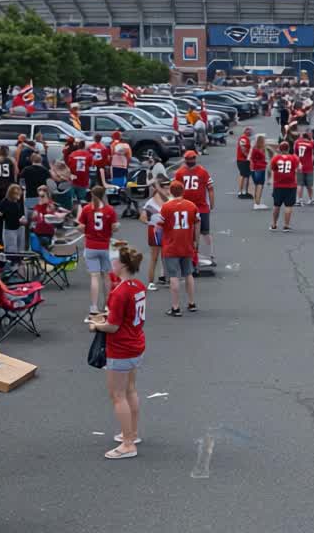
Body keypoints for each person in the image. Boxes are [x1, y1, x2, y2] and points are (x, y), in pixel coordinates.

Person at [87, 246, 148, 460]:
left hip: (120, 347)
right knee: (131, 390)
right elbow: (124, 314)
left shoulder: (119, 292)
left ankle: (128, 443)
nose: (111, 264)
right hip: (136, 342)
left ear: (121, 265)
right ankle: (132, 432)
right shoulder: (138, 286)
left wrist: (96, 325)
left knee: (117, 395)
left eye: (114, 261)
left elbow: (112, 326)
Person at [160, 181, 198, 316]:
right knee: (188, 273)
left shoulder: (166, 207)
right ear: (183, 191)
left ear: (170, 191)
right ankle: (192, 302)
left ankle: (175, 307)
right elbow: (196, 224)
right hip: (186, 243)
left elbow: (160, 225)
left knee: (174, 276)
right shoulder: (191, 206)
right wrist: (195, 241)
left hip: (171, 245)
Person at [81, 185, 119, 316]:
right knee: (107, 277)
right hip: (104, 246)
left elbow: (81, 227)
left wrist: (85, 231)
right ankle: (108, 305)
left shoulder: (86, 209)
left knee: (94, 277)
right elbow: (114, 227)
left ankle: (93, 307)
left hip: (91, 246)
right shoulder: (109, 210)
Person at [174, 150, 215, 263]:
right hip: (189, 207)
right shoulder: (182, 172)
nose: (190, 161)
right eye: (189, 159)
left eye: (192, 158)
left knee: (202, 232)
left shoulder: (198, 172)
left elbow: (210, 188)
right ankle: (192, 255)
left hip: (196, 206)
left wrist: (211, 203)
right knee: (190, 232)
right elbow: (210, 188)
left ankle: (207, 255)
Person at [141, 178, 168, 291]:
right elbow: (142, 217)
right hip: (155, 231)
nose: (168, 190)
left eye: (168, 188)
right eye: (166, 188)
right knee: (154, 258)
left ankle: (166, 278)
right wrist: (151, 223)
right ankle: (151, 283)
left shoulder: (169, 200)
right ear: (160, 189)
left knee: (166, 256)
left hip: (167, 230)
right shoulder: (150, 203)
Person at [269, 141, 300, 232]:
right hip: (290, 185)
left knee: (276, 205)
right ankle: (286, 225)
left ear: (280, 149)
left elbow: (273, 169)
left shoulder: (275, 158)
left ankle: (274, 224)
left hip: (278, 184)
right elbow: (297, 168)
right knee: (288, 206)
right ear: (288, 148)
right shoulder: (294, 158)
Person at [0, 184, 27, 253]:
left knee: (20, 248)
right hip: (10, 229)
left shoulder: (18, 202)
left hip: (20, 227)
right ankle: (11, 261)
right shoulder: (5, 202)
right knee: (11, 249)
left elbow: (20, 212)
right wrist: (0, 214)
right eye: (16, 194)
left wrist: (22, 217)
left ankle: (19, 261)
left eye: (19, 193)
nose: (18, 195)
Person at [67, 144, 95, 215]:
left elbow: (68, 165)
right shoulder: (89, 155)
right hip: (83, 180)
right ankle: (82, 213)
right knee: (82, 199)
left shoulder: (72, 154)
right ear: (84, 147)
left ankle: (73, 212)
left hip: (73, 179)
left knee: (73, 199)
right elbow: (92, 165)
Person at [293, 130, 314, 206]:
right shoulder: (311, 143)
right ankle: (310, 199)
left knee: (299, 184)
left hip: (299, 165)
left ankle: (299, 200)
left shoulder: (297, 142)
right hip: (308, 166)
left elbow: (294, 153)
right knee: (309, 185)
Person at [235, 127, 253, 198]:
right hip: (242, 160)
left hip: (245, 160)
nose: (251, 132)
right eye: (250, 131)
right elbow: (243, 149)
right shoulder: (243, 139)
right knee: (242, 175)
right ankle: (240, 192)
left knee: (247, 176)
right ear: (246, 131)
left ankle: (245, 191)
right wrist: (248, 157)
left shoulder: (246, 139)